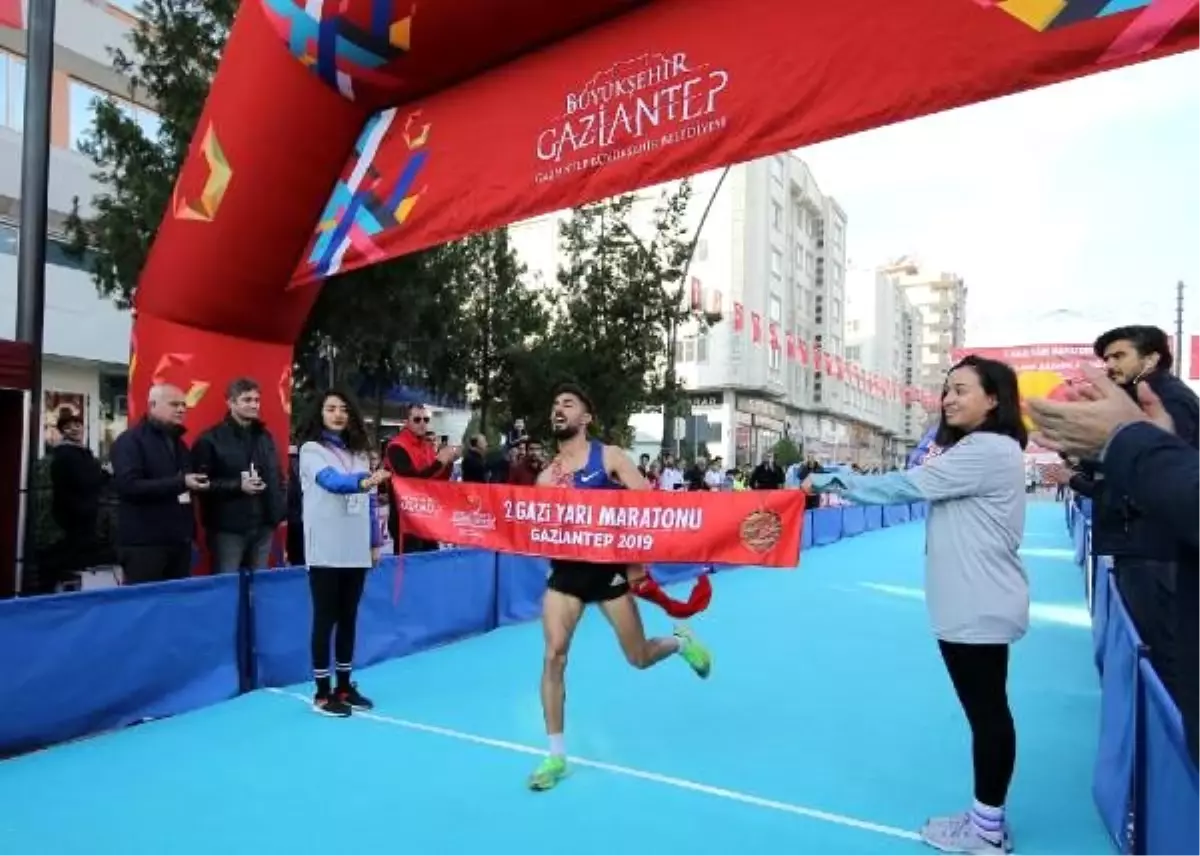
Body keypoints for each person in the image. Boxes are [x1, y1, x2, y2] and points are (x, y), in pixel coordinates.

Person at [802, 355, 1028, 854]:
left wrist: (830, 480)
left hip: (977, 604)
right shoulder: (983, 448)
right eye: (946, 390)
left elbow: (904, 485)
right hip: (973, 601)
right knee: (986, 711)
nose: (948, 398)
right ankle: (986, 816)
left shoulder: (987, 449)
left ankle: (986, 830)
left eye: (962, 390)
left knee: (987, 714)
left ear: (994, 400)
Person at [526, 383, 713, 792]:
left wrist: (634, 567)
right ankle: (556, 755)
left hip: (609, 573)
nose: (559, 409)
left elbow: (646, 511)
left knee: (639, 656)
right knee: (554, 656)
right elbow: (540, 529)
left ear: (586, 418)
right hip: (566, 576)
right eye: (555, 403)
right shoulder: (544, 478)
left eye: (568, 404)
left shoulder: (609, 458)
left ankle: (681, 643)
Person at [1027, 364, 1200, 768]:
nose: (1113, 367)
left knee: (1162, 661)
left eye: (1121, 355)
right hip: (1137, 551)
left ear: (1153, 357)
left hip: (1149, 556)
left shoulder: (1172, 400)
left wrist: (1129, 441)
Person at [298, 389, 388, 717]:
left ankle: (345, 685)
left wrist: (375, 542)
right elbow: (332, 482)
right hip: (324, 548)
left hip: (355, 550)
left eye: (343, 409)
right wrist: (364, 481)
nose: (338, 414)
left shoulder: (360, 454)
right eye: (331, 408)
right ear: (319, 414)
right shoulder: (311, 450)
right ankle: (322, 693)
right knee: (326, 619)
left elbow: (370, 505)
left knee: (349, 618)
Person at [110, 384, 209, 584]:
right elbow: (129, 486)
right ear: (152, 405)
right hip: (144, 545)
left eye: (184, 405)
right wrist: (181, 482)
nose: (181, 409)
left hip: (179, 542)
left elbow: (183, 484)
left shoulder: (179, 443)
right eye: (174, 404)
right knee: (145, 608)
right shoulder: (130, 441)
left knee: (175, 606)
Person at [190, 378, 285, 573]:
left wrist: (279, 511)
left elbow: (277, 475)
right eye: (247, 400)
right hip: (228, 529)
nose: (254, 405)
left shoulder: (264, 436)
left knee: (259, 586)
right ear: (231, 402)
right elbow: (199, 484)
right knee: (227, 585)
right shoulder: (210, 439)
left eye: (257, 400)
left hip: (264, 525)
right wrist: (237, 485)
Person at [384, 404, 457, 553]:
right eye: (417, 419)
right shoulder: (396, 447)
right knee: (409, 570)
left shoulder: (427, 446)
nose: (423, 423)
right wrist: (439, 462)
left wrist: (448, 462)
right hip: (405, 521)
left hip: (427, 517)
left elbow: (436, 480)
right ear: (406, 422)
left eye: (426, 419)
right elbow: (412, 481)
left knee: (430, 565)